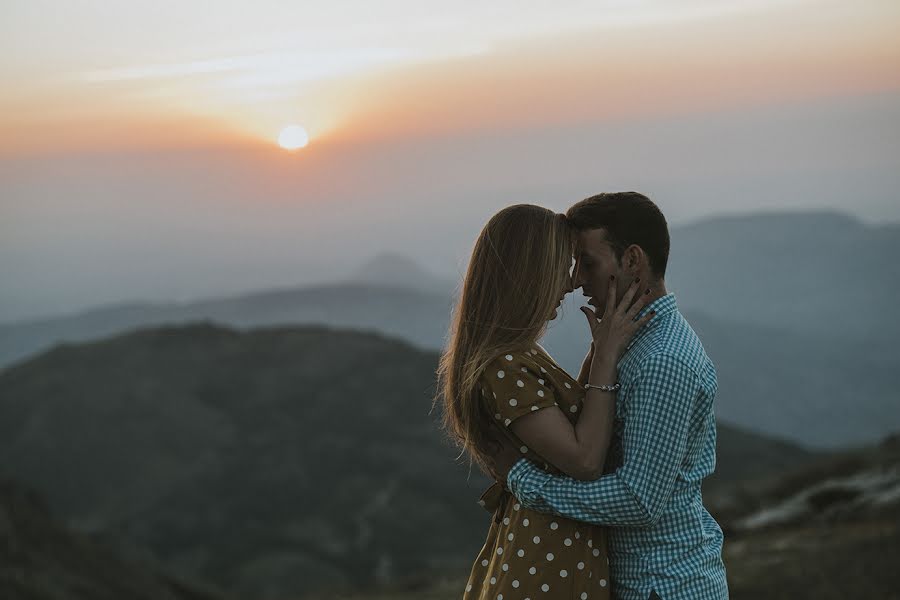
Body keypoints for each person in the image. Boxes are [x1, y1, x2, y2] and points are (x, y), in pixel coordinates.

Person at [488, 192, 729, 600]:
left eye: (589, 262)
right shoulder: (630, 342)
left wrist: (527, 484)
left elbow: (638, 500)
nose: (577, 278)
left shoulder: (662, 361)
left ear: (632, 261)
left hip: (660, 586)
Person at [437, 203, 654, 599]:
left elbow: (571, 420)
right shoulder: (504, 365)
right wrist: (605, 358)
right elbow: (584, 460)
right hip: (549, 559)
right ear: (530, 276)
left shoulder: (517, 354)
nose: (572, 284)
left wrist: (597, 350)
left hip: (554, 548)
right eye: (564, 269)